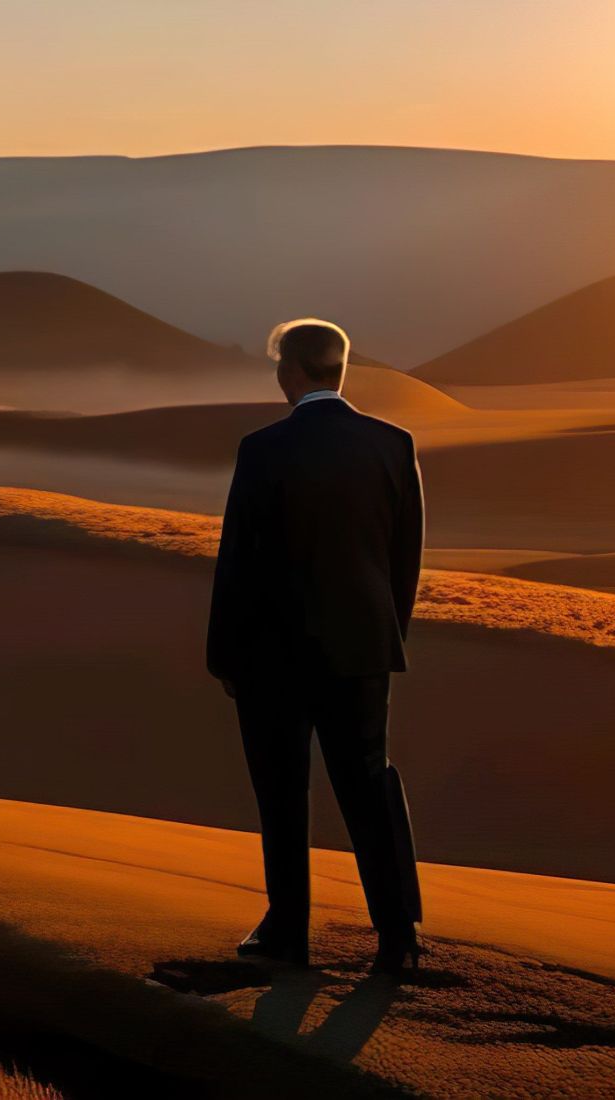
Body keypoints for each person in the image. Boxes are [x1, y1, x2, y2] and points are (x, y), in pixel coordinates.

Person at [207, 317, 424, 974]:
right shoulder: (392, 443)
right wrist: (386, 635)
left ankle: (288, 932)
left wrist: (224, 654)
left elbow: (237, 559)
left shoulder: (262, 449)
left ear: (291, 371)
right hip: (361, 650)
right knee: (368, 786)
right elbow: (404, 555)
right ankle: (399, 940)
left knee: (282, 792)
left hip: (273, 656)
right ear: (341, 370)